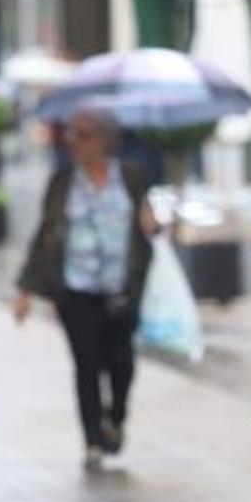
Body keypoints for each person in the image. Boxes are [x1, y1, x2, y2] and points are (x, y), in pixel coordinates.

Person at [14, 107, 156, 470]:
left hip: (121, 287)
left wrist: (152, 222)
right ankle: (93, 439)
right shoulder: (62, 181)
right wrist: (26, 288)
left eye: (84, 133)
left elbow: (151, 228)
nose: (74, 141)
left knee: (122, 362)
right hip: (75, 289)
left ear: (107, 140)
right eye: (71, 133)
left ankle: (117, 416)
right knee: (86, 362)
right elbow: (45, 233)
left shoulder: (132, 176)